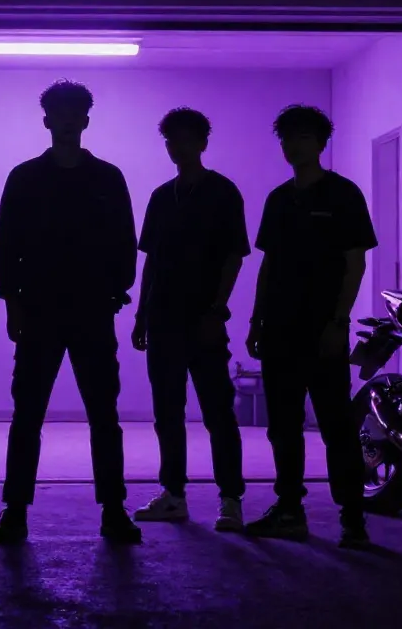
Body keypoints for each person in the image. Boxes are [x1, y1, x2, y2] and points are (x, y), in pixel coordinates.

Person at [0, 80, 142, 545]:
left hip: (91, 310)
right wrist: (13, 302)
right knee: (28, 414)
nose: (69, 120)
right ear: (48, 120)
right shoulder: (25, 178)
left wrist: (114, 291)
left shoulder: (107, 178)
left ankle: (113, 509)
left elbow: (125, 241)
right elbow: (5, 244)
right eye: (61, 112)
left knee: (103, 414)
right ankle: (16, 510)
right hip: (40, 309)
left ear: (85, 120)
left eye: (75, 112)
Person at [242, 104, 376, 549]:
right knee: (283, 426)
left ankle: (352, 518)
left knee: (336, 426)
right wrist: (256, 320)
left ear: (320, 143)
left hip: (322, 330)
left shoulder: (343, 194)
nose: (292, 145)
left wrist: (339, 322)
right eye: (287, 138)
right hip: (278, 328)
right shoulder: (279, 199)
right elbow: (268, 265)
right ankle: (289, 510)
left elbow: (355, 264)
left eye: (302, 137)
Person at [130, 108, 249, 531]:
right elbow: (151, 260)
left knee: (218, 412)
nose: (176, 147)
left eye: (184, 139)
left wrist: (217, 310)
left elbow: (234, 256)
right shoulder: (162, 197)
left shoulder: (222, 192)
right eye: (171, 140)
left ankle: (230, 499)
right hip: (163, 318)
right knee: (167, 412)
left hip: (203, 320)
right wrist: (141, 315)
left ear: (202, 143)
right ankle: (173, 495)